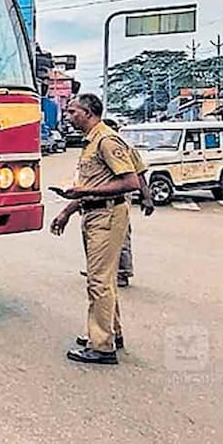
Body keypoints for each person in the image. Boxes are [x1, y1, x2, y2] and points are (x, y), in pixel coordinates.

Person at [50, 93, 140, 365]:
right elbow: (93, 181)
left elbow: (131, 181)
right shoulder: (90, 141)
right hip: (93, 213)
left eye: (73, 112)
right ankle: (112, 332)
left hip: (107, 214)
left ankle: (101, 346)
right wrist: (67, 211)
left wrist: (84, 191)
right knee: (105, 278)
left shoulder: (106, 140)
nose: (68, 117)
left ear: (89, 113)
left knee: (98, 281)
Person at [79, 118, 154, 287]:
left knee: (122, 237)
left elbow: (139, 174)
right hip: (97, 198)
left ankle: (122, 271)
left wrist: (146, 197)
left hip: (118, 196)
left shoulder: (122, 147)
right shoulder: (93, 145)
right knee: (97, 240)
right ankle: (100, 268)